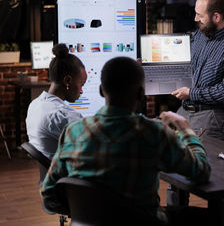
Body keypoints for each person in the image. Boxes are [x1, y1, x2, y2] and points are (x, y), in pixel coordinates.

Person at [41, 57, 211, 226]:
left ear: (101, 90)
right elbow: (201, 171)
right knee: (208, 217)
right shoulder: (154, 134)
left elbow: (49, 194)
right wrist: (185, 128)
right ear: (140, 94)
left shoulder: (72, 132)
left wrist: (87, 212)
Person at [172, 0, 224, 141]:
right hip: (184, 111)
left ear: (216, 17)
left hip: (211, 119)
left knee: (205, 163)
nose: (195, 19)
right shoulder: (199, 35)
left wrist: (191, 93)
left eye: (200, 16)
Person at [26, 43, 87, 159]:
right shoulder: (65, 116)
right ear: (67, 81)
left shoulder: (34, 105)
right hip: (68, 175)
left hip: (50, 173)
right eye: (81, 84)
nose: (82, 91)